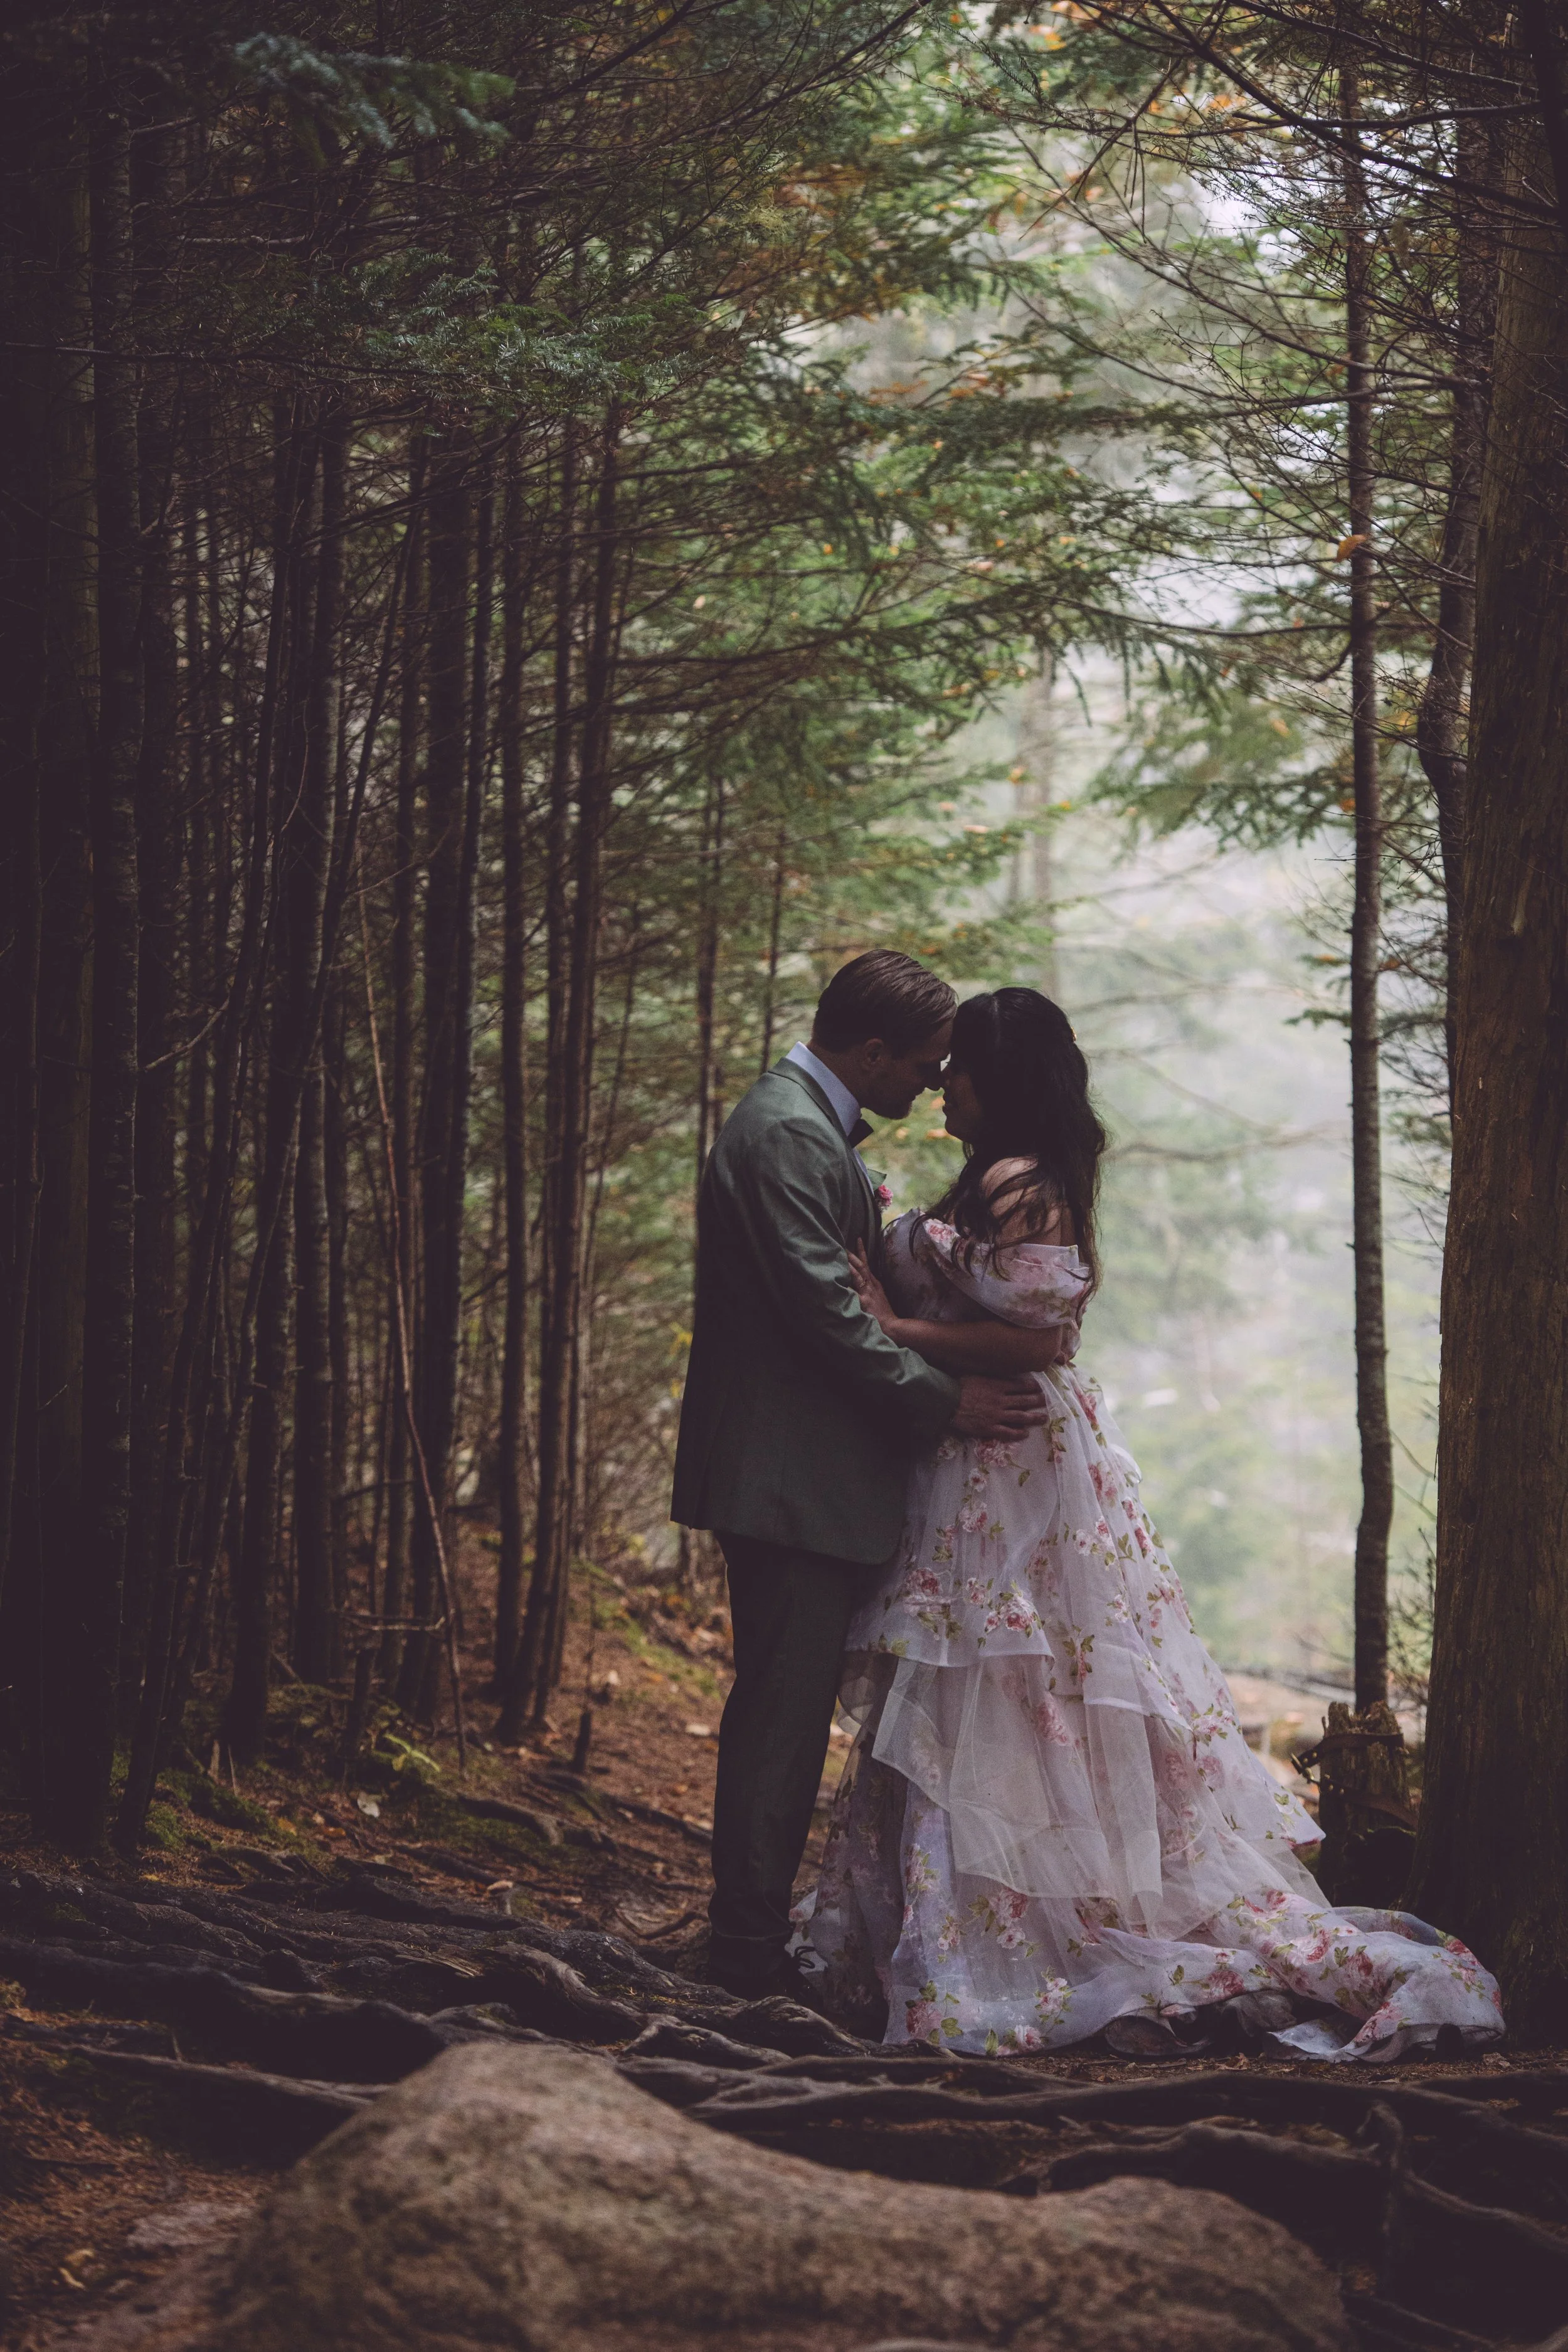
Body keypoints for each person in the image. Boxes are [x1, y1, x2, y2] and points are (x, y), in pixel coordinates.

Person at [803, 985, 1503, 2062]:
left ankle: (1041, 1934)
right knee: (988, 1692)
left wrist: (895, 1320)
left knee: (1016, 1683)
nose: (944, 1085)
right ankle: (960, 1928)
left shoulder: (1022, 1179)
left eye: (961, 1070)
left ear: (1002, 1075)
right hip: (976, 1460)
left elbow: (1041, 1343)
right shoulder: (1006, 1173)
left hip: (1017, 1466)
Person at [672, 950, 1054, 1999]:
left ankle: (753, 1933)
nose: (934, 1084)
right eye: (925, 1062)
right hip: (788, 1478)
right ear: (871, 1050)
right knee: (783, 1711)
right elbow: (828, 1317)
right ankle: (745, 1949)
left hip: (807, 1473)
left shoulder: (806, 1124)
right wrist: (948, 1399)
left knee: (788, 1707)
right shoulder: (787, 1132)